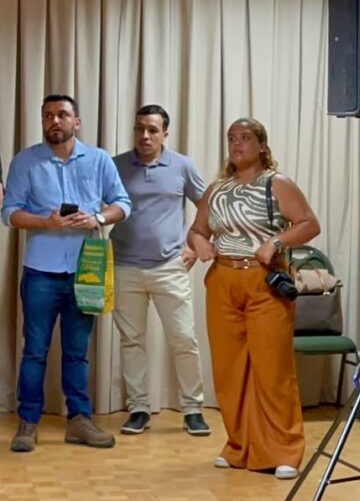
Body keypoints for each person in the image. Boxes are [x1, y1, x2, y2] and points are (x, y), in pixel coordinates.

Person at [188, 118, 320, 479]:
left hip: (264, 281)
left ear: (262, 145)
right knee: (229, 368)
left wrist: (276, 242)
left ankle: (283, 450)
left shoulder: (276, 184)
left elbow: (309, 224)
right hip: (223, 279)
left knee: (271, 368)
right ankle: (239, 445)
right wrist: (199, 243)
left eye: (245, 137)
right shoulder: (217, 190)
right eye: (232, 138)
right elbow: (197, 230)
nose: (236, 143)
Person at [2, 94, 131, 452]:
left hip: (85, 270)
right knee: (35, 351)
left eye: (62, 115)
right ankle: (28, 422)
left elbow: (123, 203)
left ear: (76, 122)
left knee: (77, 352)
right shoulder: (25, 161)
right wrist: (47, 222)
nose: (54, 121)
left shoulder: (99, 159)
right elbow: (9, 213)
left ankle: (79, 421)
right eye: (48, 115)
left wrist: (97, 218)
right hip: (40, 272)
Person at [110, 105, 209, 436]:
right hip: (124, 267)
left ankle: (193, 409)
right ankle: (138, 408)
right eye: (139, 128)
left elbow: (207, 205)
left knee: (184, 339)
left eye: (152, 130)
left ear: (165, 133)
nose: (145, 135)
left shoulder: (182, 166)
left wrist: (194, 244)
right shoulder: (116, 165)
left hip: (169, 267)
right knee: (131, 341)